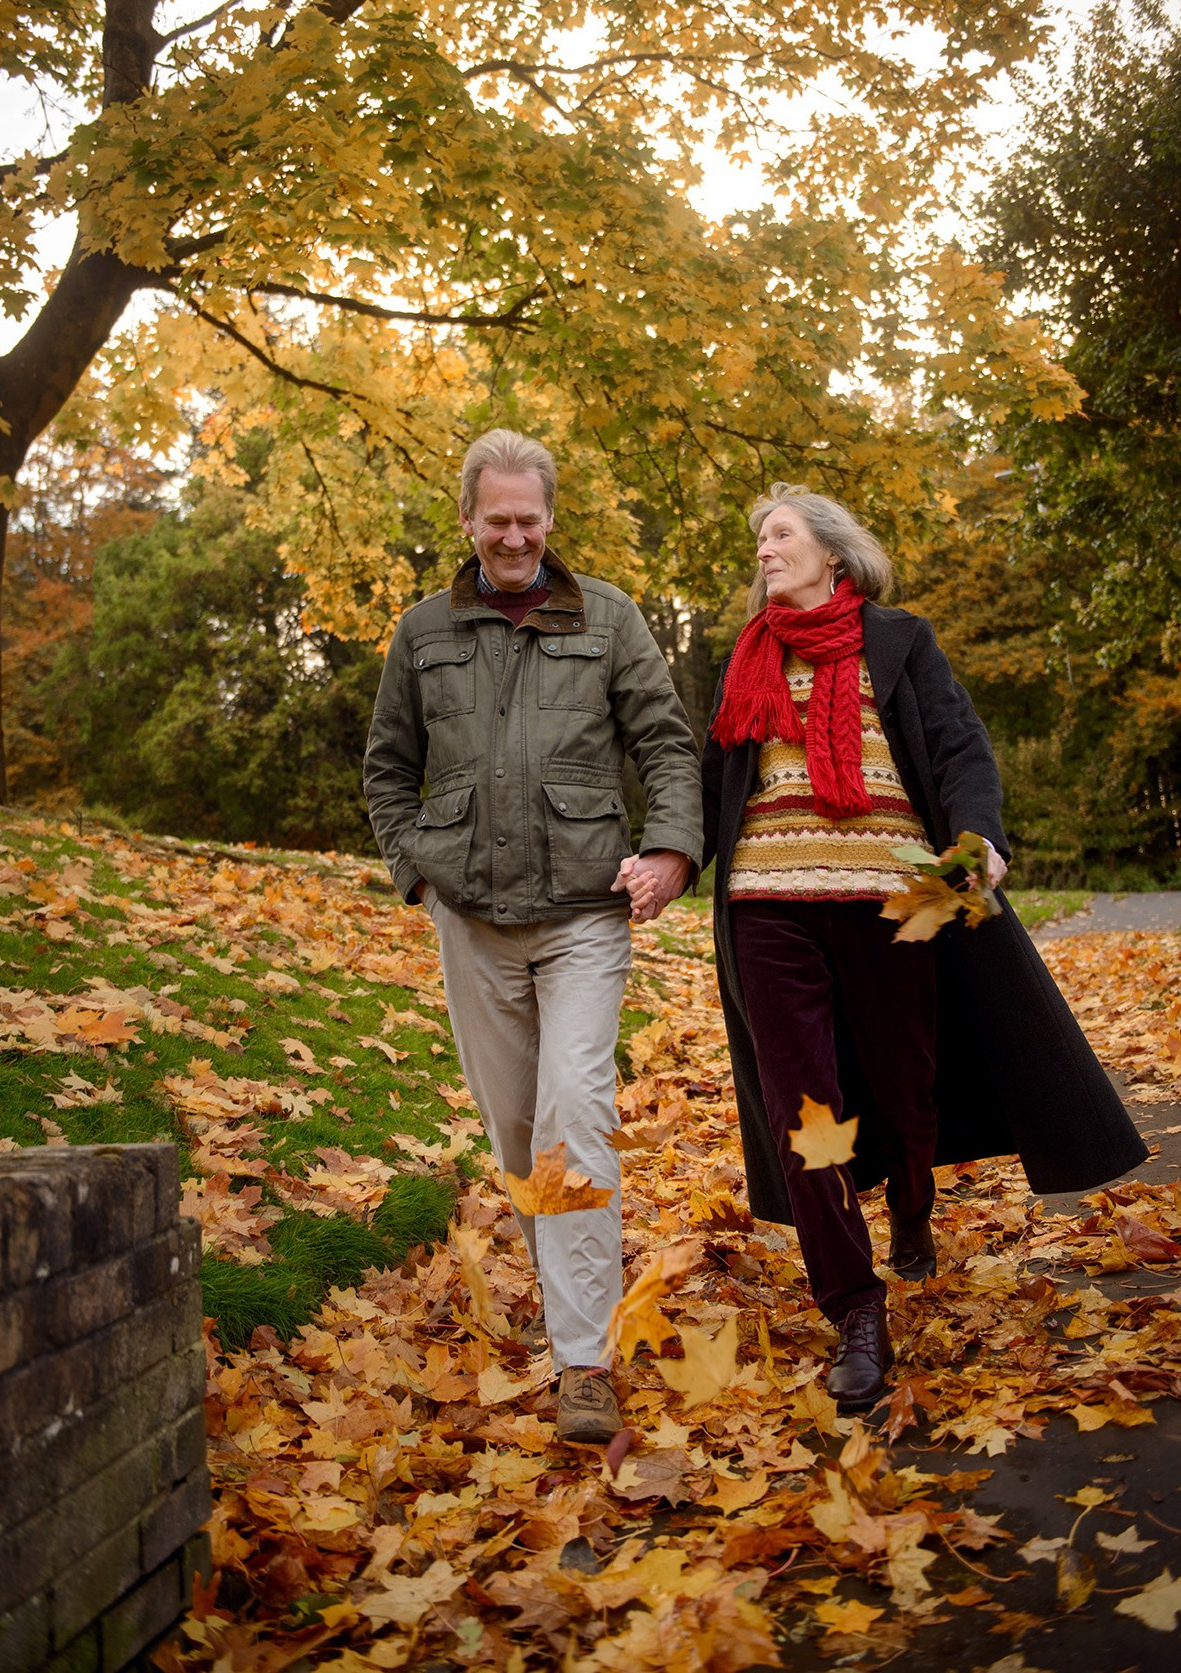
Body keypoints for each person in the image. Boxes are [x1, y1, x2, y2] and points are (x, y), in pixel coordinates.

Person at [697, 483, 1146, 1411]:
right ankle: (855, 1309)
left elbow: (957, 748)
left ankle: (909, 1200)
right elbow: (709, 784)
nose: (763, 551)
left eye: (778, 535)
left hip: (900, 896)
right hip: (766, 906)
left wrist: (978, 837)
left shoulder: (899, 640)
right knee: (804, 1113)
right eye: (759, 541)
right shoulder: (744, 660)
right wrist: (665, 856)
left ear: (831, 551)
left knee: (906, 1084)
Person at [363, 428, 703, 1443]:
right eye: (496, 520)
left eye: (528, 519)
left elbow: (665, 743)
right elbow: (388, 766)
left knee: (574, 1116)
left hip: (584, 914)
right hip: (469, 919)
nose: (513, 536)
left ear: (550, 520)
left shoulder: (609, 619)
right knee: (517, 1136)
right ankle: (566, 1282)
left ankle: (582, 1360)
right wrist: (415, 869)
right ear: (467, 522)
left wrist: (672, 851)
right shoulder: (423, 633)